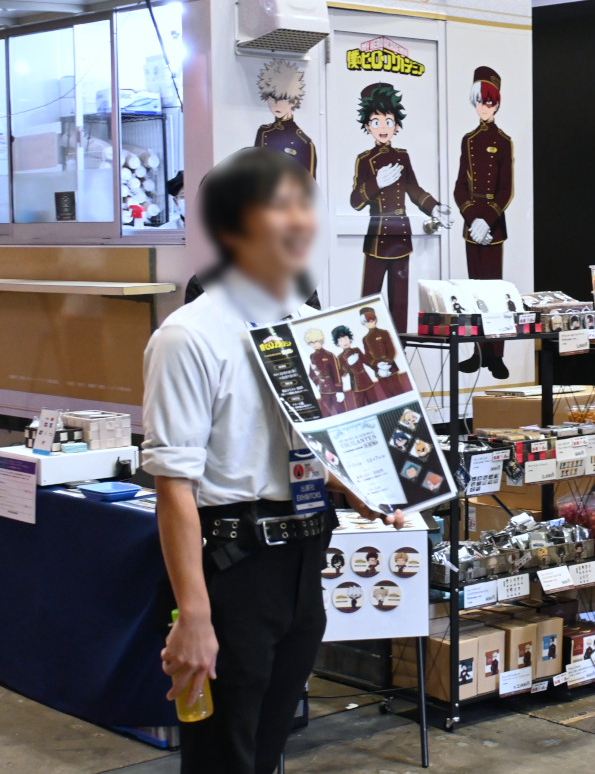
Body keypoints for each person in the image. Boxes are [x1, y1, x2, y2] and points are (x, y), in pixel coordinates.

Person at [143, 148, 404, 774]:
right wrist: (194, 615)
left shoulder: (311, 328)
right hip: (234, 567)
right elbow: (173, 488)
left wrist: (354, 486)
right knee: (223, 757)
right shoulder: (187, 336)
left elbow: (306, 447)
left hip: (304, 561)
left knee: (266, 752)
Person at [350, 82, 449, 334]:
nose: (383, 128)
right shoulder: (364, 160)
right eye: (376, 122)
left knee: (400, 303)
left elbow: (413, 189)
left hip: (401, 235)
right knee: (368, 300)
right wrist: (377, 182)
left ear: (396, 125)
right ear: (367, 126)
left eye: (388, 121)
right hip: (377, 236)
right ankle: (366, 344)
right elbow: (355, 201)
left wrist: (435, 208)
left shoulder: (402, 156)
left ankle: (400, 350)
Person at [453, 66, 514, 379]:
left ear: (497, 103)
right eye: (479, 101)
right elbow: (459, 187)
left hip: (492, 228)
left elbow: (506, 190)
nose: (484, 107)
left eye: (489, 101)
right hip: (471, 226)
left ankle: (496, 356)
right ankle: (477, 354)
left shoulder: (503, 141)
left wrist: (487, 220)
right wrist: (470, 217)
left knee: (494, 295)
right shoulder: (468, 140)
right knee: (473, 295)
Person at [254, 60, 316, 177]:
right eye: (273, 97)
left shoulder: (303, 142)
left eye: (285, 98)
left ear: (294, 101)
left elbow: (309, 183)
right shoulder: (263, 132)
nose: (277, 104)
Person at [358, 306, 410, 396]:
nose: (369, 323)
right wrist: (378, 368)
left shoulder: (384, 333)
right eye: (366, 321)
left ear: (375, 319)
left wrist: (387, 365)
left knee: (399, 391)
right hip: (379, 371)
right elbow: (368, 358)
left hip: (390, 368)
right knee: (388, 394)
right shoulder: (365, 339)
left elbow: (391, 350)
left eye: (371, 320)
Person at [304, 327, 346, 418]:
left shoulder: (330, 355)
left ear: (321, 340)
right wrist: (317, 383)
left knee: (341, 411)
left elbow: (336, 373)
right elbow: (312, 372)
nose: (314, 345)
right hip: (323, 389)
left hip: (334, 388)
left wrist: (339, 390)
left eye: (316, 342)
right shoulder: (312, 356)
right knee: (326, 413)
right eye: (311, 343)